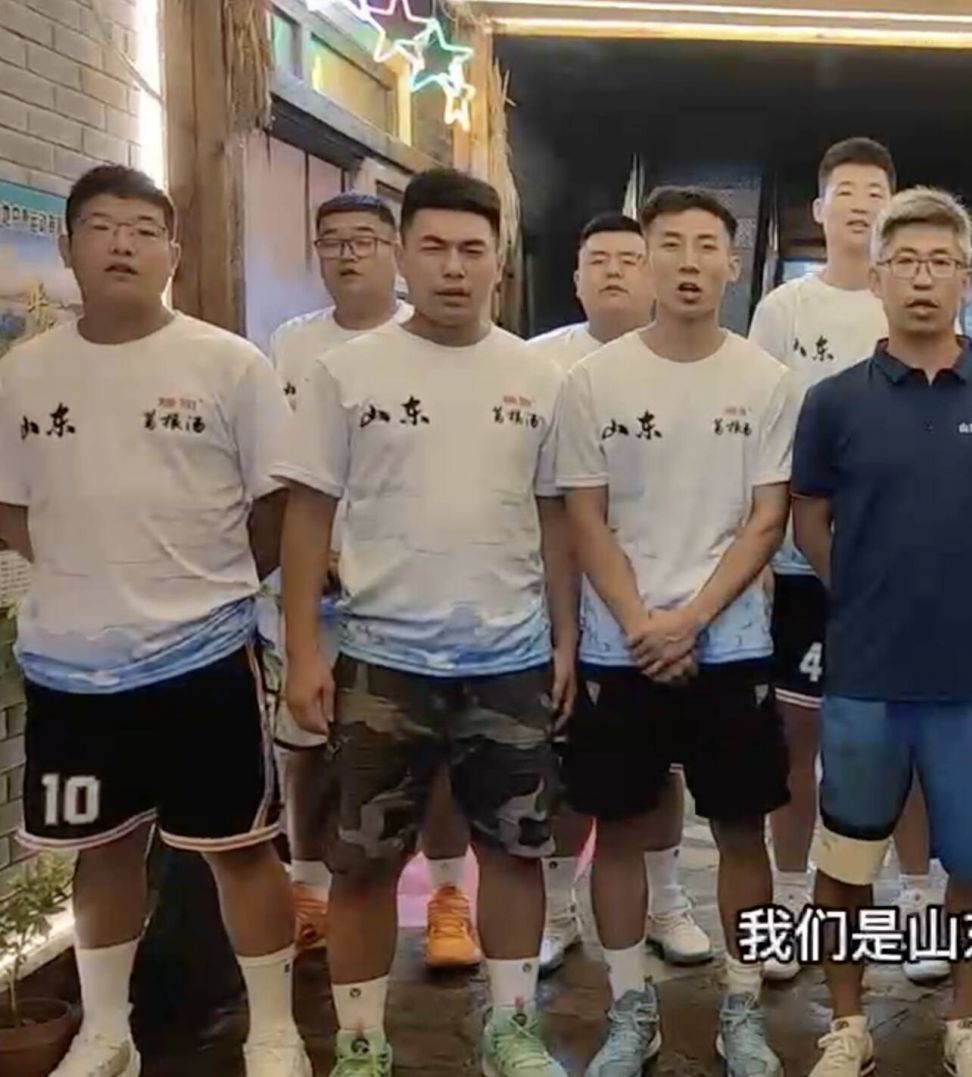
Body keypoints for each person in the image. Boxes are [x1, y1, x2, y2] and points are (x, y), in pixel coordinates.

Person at [0, 164, 308, 1076]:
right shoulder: (22, 374)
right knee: (99, 850)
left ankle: (275, 1030)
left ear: (173, 251)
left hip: (205, 658)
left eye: (143, 229)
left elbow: (277, 506)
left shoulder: (229, 364)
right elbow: (13, 510)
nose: (122, 244)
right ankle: (107, 1034)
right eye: (102, 227)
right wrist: (87, 573)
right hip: (71, 669)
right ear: (67, 248)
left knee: (240, 849)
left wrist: (208, 581)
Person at [277, 168, 576, 1077]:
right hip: (380, 659)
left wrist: (565, 638)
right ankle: (362, 1041)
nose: (454, 267)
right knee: (362, 861)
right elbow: (307, 514)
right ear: (403, 256)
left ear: (499, 264)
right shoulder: (345, 372)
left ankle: (512, 1027)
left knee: (515, 851)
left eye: (472, 250)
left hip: (510, 657)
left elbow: (556, 515)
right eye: (435, 247)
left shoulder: (539, 376)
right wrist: (302, 650)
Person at [790, 187, 972, 1077]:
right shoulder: (834, 402)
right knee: (846, 858)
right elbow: (809, 521)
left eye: (941, 262)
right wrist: (863, 592)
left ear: (966, 279)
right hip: (864, 674)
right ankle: (847, 1023)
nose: (922, 278)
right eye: (904, 261)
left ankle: (966, 1023)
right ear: (876, 278)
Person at [555, 186, 795, 1077]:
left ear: (733, 263)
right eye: (670, 244)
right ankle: (631, 1009)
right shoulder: (592, 381)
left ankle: (743, 1006)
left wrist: (690, 619)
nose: (689, 262)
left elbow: (766, 519)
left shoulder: (766, 380)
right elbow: (585, 517)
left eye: (706, 246)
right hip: (619, 647)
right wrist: (638, 623)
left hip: (730, 645)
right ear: (645, 257)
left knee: (741, 829)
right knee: (618, 828)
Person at [263, 192, 484, 973]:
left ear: (395, 250)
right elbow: (291, 479)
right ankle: (309, 889)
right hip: (318, 591)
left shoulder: (436, 340)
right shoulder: (292, 345)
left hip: (412, 595)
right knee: (308, 743)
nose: (348, 254)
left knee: (440, 755)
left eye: (364, 239)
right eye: (332, 241)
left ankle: (450, 896)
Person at [749, 136, 946, 985]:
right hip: (807, 566)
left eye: (877, 191)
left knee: (911, 737)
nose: (862, 205)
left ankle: (918, 895)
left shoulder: (917, 302)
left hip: (903, 572)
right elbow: (763, 435)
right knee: (798, 739)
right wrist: (765, 551)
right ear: (820, 210)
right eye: (847, 191)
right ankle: (795, 895)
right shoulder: (785, 311)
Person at [526, 211, 712, 975]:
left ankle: (667, 900)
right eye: (596, 258)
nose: (612, 270)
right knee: (567, 769)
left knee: (661, 772)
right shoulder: (540, 365)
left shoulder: (706, 364)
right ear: (575, 278)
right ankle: (556, 909)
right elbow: (550, 505)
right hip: (562, 599)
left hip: (672, 607)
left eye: (629, 258)